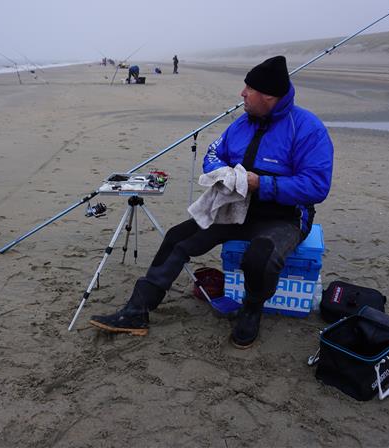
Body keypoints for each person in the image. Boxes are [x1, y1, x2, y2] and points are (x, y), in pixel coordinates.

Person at [90, 56, 334, 348]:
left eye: (249, 89)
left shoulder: (307, 129)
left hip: (284, 217)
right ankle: (137, 310)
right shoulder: (241, 124)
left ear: (268, 96)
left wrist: (261, 184)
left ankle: (251, 309)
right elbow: (213, 153)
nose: (242, 94)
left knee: (260, 256)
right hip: (236, 206)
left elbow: (317, 186)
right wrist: (223, 173)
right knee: (177, 238)